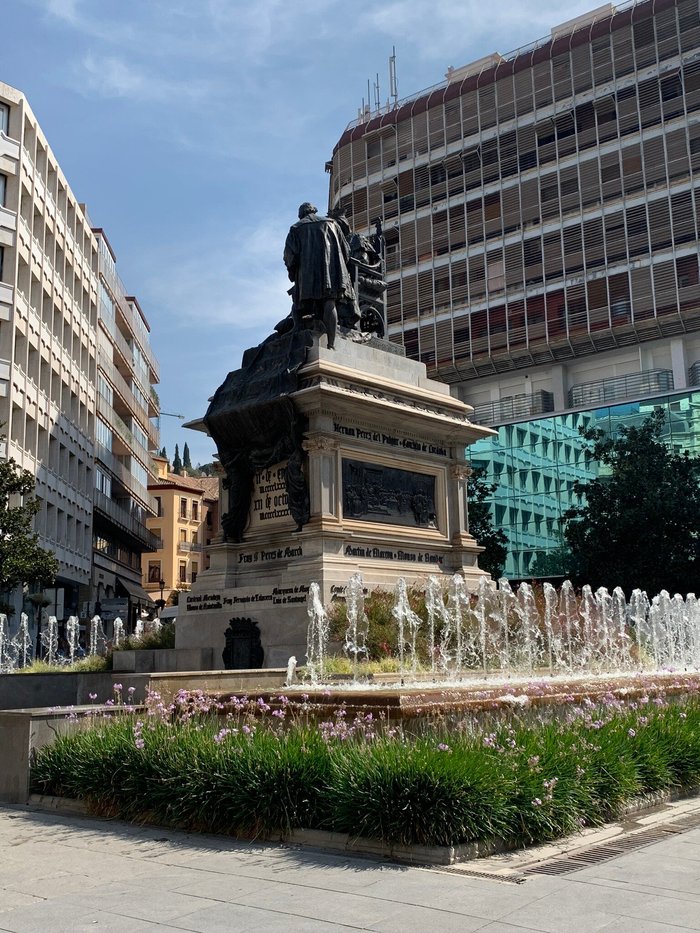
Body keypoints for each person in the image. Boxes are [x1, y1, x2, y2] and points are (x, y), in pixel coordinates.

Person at [283, 202, 356, 349]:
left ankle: (299, 332)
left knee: (299, 304)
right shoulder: (332, 224)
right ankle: (331, 344)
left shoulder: (296, 228)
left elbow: (290, 256)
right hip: (331, 272)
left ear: (301, 215)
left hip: (307, 275)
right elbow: (346, 251)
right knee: (329, 303)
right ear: (314, 211)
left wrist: (293, 273)